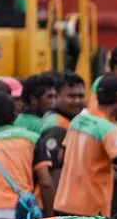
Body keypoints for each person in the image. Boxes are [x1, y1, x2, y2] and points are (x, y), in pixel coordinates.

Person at [54, 76, 117, 218]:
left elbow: (61, 157)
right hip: (90, 211)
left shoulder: (77, 121)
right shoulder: (108, 128)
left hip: (63, 206)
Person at [35, 74, 87, 206]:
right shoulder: (57, 126)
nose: (76, 101)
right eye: (71, 96)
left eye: (80, 96)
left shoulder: (68, 120)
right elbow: (53, 170)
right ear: (57, 97)